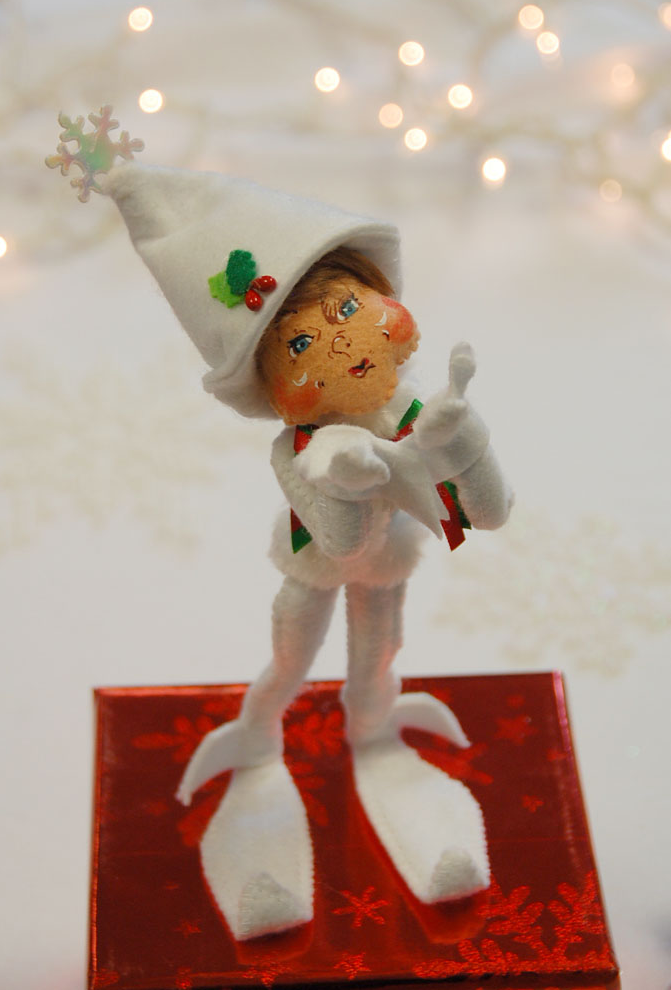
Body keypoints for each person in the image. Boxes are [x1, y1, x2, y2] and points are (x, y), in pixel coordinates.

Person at [97, 162, 513, 942]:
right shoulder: (296, 452)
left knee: (377, 655)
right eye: (298, 342)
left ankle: (378, 740)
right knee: (289, 662)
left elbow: (486, 512)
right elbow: (339, 544)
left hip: (385, 570)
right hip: (315, 568)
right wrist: (349, 483)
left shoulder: (413, 411)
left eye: (347, 308)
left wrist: (466, 442)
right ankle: (258, 748)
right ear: (276, 388)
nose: (341, 343)